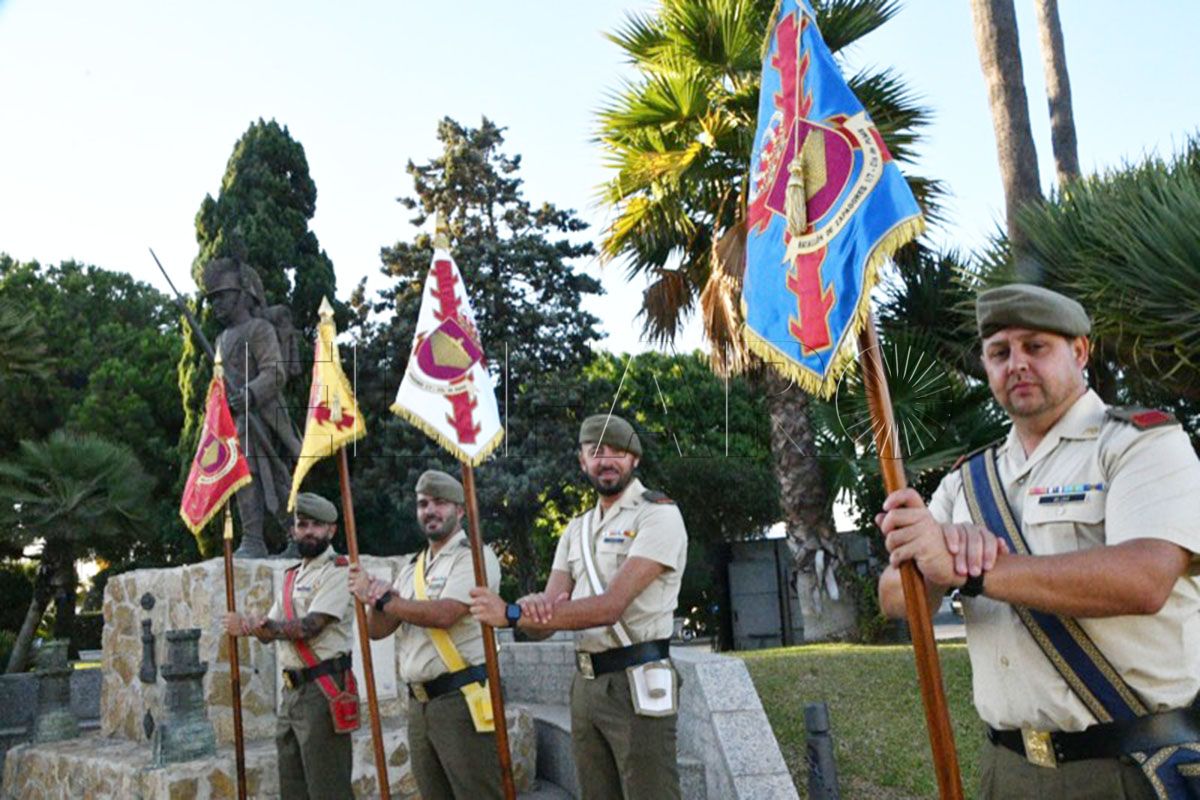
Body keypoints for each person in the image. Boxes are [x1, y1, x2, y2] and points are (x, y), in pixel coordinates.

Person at [877, 283, 1200, 799]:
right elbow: (895, 598)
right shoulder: (967, 480)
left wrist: (974, 569)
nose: (1017, 364)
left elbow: (1145, 579)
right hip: (1006, 771)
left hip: (1125, 769)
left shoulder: (1140, 445)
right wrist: (931, 555)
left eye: (1036, 346)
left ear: (1080, 351)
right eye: (1000, 353)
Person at [469, 413, 688, 800]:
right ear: (582, 461)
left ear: (634, 459)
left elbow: (610, 607)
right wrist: (530, 610)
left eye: (617, 452)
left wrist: (511, 613)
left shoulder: (658, 514)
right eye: (596, 451)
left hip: (637, 681)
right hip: (585, 686)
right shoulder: (576, 530)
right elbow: (547, 621)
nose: (606, 461)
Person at [349, 469, 503, 800]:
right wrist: (373, 599)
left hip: (461, 699)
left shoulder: (475, 557)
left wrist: (385, 600)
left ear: (459, 510)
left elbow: (445, 614)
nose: (430, 510)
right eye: (423, 504)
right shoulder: (413, 567)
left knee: (478, 793)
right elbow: (377, 631)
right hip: (420, 704)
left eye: (439, 503)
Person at [223, 492, 356, 800]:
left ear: (331, 530)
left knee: (328, 789)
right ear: (294, 530)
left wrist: (264, 626)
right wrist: (247, 625)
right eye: (302, 524)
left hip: (323, 690)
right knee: (293, 786)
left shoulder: (338, 570)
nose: (308, 531)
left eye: (316, 525)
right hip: (292, 692)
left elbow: (309, 626)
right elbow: (269, 631)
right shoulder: (292, 576)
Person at [203, 256, 302, 558]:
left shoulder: (259, 329)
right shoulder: (221, 339)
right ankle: (252, 538)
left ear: (242, 294)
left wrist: (250, 394)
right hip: (236, 420)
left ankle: (298, 535)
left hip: (265, 415)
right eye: (212, 299)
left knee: (275, 476)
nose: (216, 304)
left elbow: (275, 372)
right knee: (243, 477)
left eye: (221, 296)